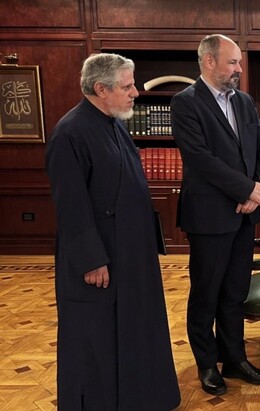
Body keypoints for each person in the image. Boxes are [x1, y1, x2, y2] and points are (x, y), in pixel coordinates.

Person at [45, 53, 180, 410]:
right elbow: (71, 207)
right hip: (100, 260)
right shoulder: (70, 133)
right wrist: (92, 260)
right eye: (128, 86)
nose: (136, 92)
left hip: (132, 253)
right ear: (100, 88)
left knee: (136, 329)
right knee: (97, 338)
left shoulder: (115, 123)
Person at [171, 34, 260, 395]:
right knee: (206, 293)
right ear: (209, 62)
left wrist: (257, 191)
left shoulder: (244, 102)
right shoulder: (185, 104)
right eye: (232, 63)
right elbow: (200, 160)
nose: (239, 70)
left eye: (239, 63)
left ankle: (235, 359)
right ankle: (206, 364)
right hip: (210, 217)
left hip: (244, 214)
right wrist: (246, 189)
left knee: (234, 292)